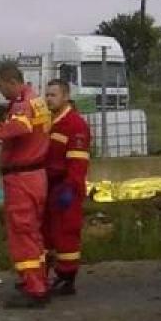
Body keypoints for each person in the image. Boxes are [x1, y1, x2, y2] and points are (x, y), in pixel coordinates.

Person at [0, 66, 51, 308]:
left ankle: (34, 287)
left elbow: (21, 127)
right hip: (36, 175)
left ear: (11, 82)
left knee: (22, 232)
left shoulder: (22, 104)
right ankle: (40, 279)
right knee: (33, 232)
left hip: (21, 177)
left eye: (0, 86)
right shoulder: (37, 100)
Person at [42, 79, 91, 296]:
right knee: (48, 233)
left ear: (65, 96)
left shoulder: (75, 125)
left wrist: (70, 188)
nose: (48, 99)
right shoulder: (51, 122)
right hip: (49, 185)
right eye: (47, 95)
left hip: (65, 186)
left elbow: (78, 163)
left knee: (66, 234)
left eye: (53, 95)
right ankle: (46, 276)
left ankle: (67, 277)